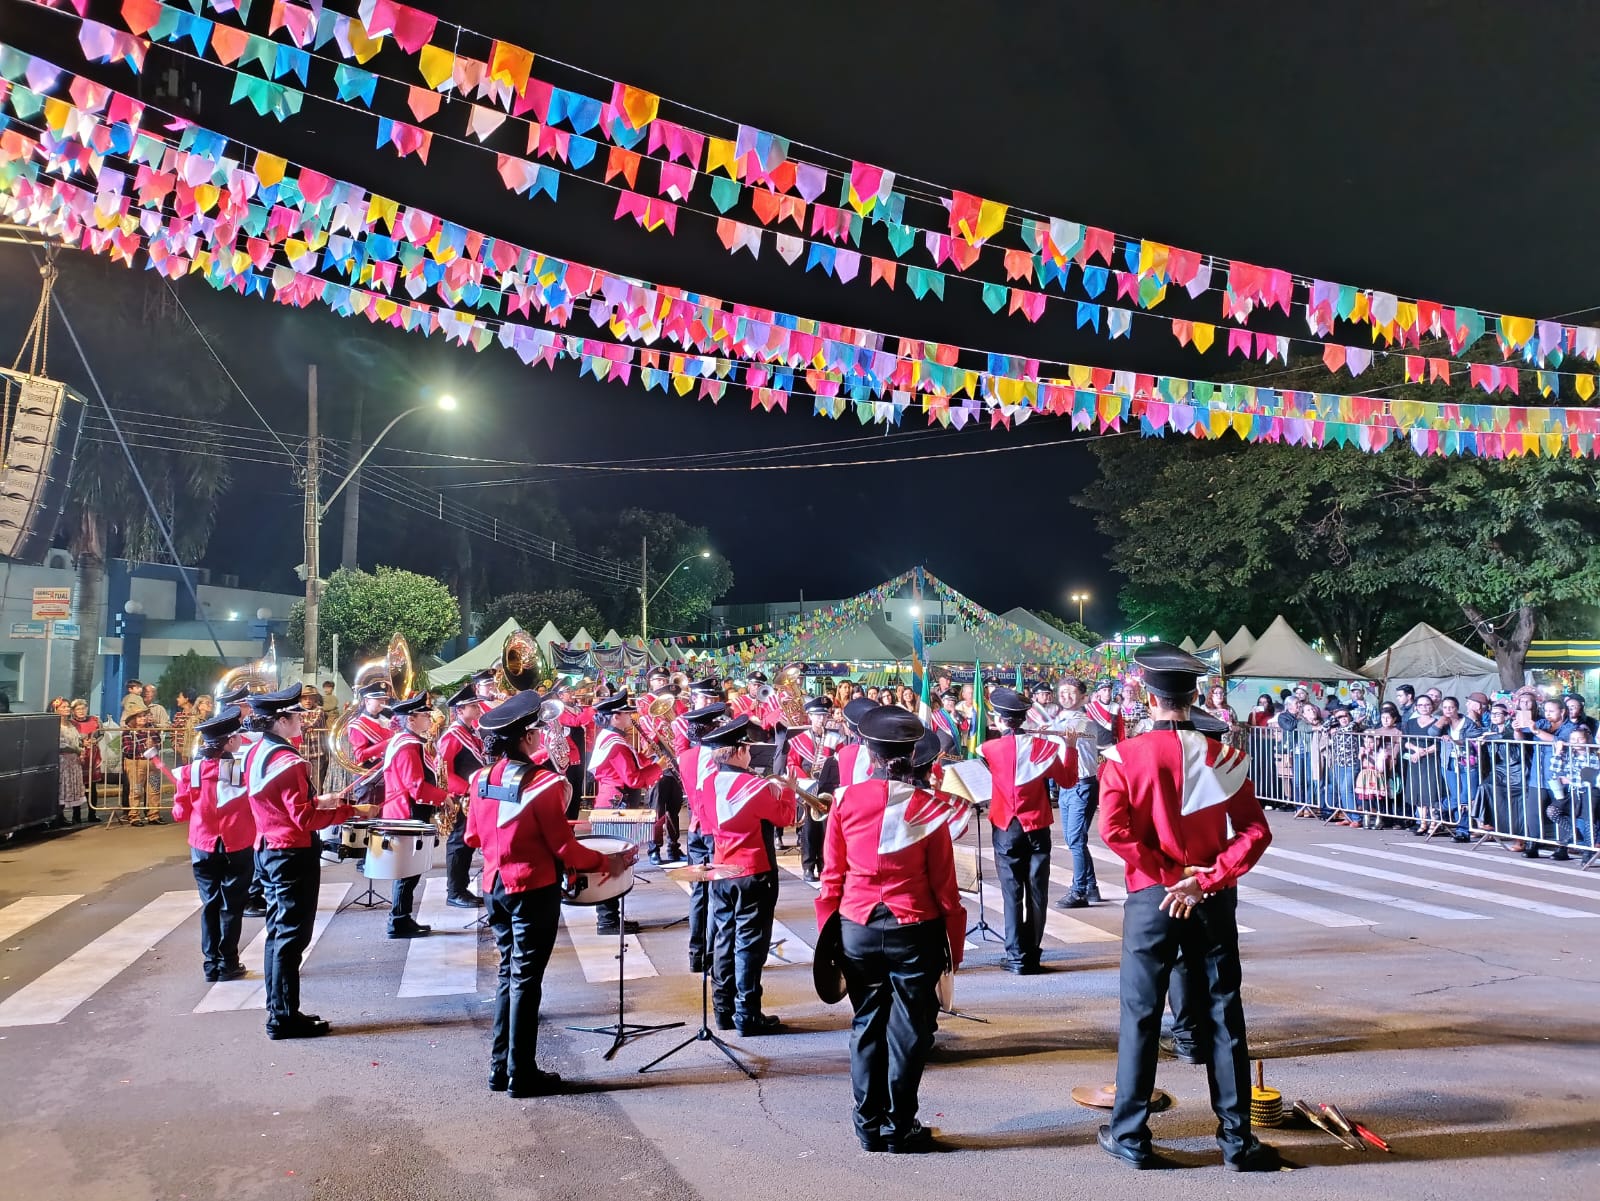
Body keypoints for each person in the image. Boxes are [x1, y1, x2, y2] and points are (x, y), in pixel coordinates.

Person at [1097, 644, 1278, 1172]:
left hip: (1152, 897)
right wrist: (1206, 879)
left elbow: (1113, 831)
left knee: (1141, 1015)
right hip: (1210, 895)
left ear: (1148, 697)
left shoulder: (1123, 757)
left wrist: (1168, 876)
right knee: (1224, 1012)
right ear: (1195, 695)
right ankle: (1237, 1141)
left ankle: (1131, 1135)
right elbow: (1255, 831)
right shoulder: (1224, 756)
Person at [465, 690, 635, 1096]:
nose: (542, 735)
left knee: (508, 974)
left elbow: (472, 837)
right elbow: (565, 849)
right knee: (526, 981)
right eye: (538, 731)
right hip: (532, 890)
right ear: (527, 737)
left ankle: (501, 1068)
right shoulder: (543, 784)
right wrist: (607, 862)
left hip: (494, 886)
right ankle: (521, 1073)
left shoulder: (481, 779)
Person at [817, 709, 966, 1154]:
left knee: (866, 1024)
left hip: (857, 925)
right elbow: (945, 887)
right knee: (909, 1032)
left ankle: (867, 1125)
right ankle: (899, 1126)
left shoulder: (844, 799)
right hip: (914, 928)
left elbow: (831, 876)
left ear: (870, 753)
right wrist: (954, 947)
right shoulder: (930, 807)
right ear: (914, 755)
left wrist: (828, 935)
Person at [244, 684, 375, 1039]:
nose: (303, 720)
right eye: (297, 715)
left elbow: (279, 804)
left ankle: (280, 1010)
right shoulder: (291, 762)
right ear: (281, 720)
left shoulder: (256, 752)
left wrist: (322, 801)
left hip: (268, 848)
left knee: (278, 934)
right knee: (292, 938)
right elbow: (302, 819)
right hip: (291, 853)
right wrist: (349, 811)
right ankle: (283, 1018)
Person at [702, 715, 798, 1034]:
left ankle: (723, 1009)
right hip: (753, 870)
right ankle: (747, 1013)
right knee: (750, 944)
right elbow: (785, 818)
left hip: (721, 869)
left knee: (723, 938)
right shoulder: (755, 786)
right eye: (746, 748)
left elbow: (707, 824)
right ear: (739, 751)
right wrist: (788, 790)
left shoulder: (707, 784)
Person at [979, 688, 1076, 974]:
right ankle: (1032, 954)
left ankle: (1015, 956)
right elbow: (1068, 780)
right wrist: (1069, 746)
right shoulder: (1043, 747)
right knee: (1037, 891)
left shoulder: (989, 749)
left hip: (1006, 826)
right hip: (1037, 826)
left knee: (1011, 892)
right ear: (1024, 718)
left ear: (1000, 719)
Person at [161, 706, 256, 982]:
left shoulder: (189, 772)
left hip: (202, 845)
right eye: (237, 736)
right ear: (229, 742)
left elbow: (180, 814)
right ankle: (228, 962)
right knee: (231, 906)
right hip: (237, 844)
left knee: (210, 904)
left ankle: (211, 964)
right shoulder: (242, 770)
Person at [586, 691, 662, 934]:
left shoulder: (612, 738)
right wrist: (659, 767)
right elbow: (633, 779)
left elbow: (634, 764)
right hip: (615, 807)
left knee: (616, 863)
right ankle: (607, 920)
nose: (632, 717)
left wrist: (652, 757)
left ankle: (610, 917)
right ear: (615, 717)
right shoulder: (616, 744)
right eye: (627, 714)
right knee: (613, 864)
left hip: (613, 803)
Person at [380, 693, 450, 938]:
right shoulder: (409, 745)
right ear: (411, 719)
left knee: (409, 869)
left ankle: (401, 918)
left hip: (404, 810)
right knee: (408, 870)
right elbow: (415, 786)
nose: (430, 718)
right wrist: (444, 797)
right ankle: (398, 921)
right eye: (425, 715)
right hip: (407, 812)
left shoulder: (405, 741)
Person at [677, 701, 729, 973]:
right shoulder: (719, 757)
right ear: (710, 730)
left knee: (699, 893)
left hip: (694, 828)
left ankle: (695, 954)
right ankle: (711, 955)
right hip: (714, 830)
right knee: (717, 893)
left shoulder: (685, 756)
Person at [435, 683, 488, 907]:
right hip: (461, 797)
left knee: (467, 844)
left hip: (471, 796)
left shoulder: (470, 732)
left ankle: (462, 889)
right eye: (472, 706)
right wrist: (467, 789)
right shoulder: (453, 736)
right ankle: (455, 891)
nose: (478, 709)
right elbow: (443, 772)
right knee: (459, 844)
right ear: (460, 710)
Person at [787, 695, 841, 881]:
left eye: (824, 716)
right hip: (808, 789)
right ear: (809, 716)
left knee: (827, 831)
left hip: (827, 789)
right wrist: (806, 780)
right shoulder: (799, 739)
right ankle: (808, 867)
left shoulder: (835, 738)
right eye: (817, 716)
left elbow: (841, 760)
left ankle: (825, 865)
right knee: (809, 831)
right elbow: (792, 764)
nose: (821, 719)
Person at [121, 701, 164, 825]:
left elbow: (159, 743)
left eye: (144, 715)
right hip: (136, 763)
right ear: (133, 719)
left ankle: (154, 814)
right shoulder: (128, 732)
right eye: (139, 716)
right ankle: (134, 815)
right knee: (136, 790)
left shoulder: (152, 729)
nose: (143, 718)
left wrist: (154, 744)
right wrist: (145, 746)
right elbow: (127, 750)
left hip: (153, 763)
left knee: (154, 789)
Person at [57, 705, 87, 826]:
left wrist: (81, 748)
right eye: (63, 707)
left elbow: (77, 740)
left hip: (74, 762)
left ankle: (75, 816)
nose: (67, 708)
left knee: (73, 787)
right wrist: (76, 750)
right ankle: (58, 817)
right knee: (62, 788)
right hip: (63, 761)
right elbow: (61, 744)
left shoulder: (72, 724)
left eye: (68, 706)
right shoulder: (56, 726)